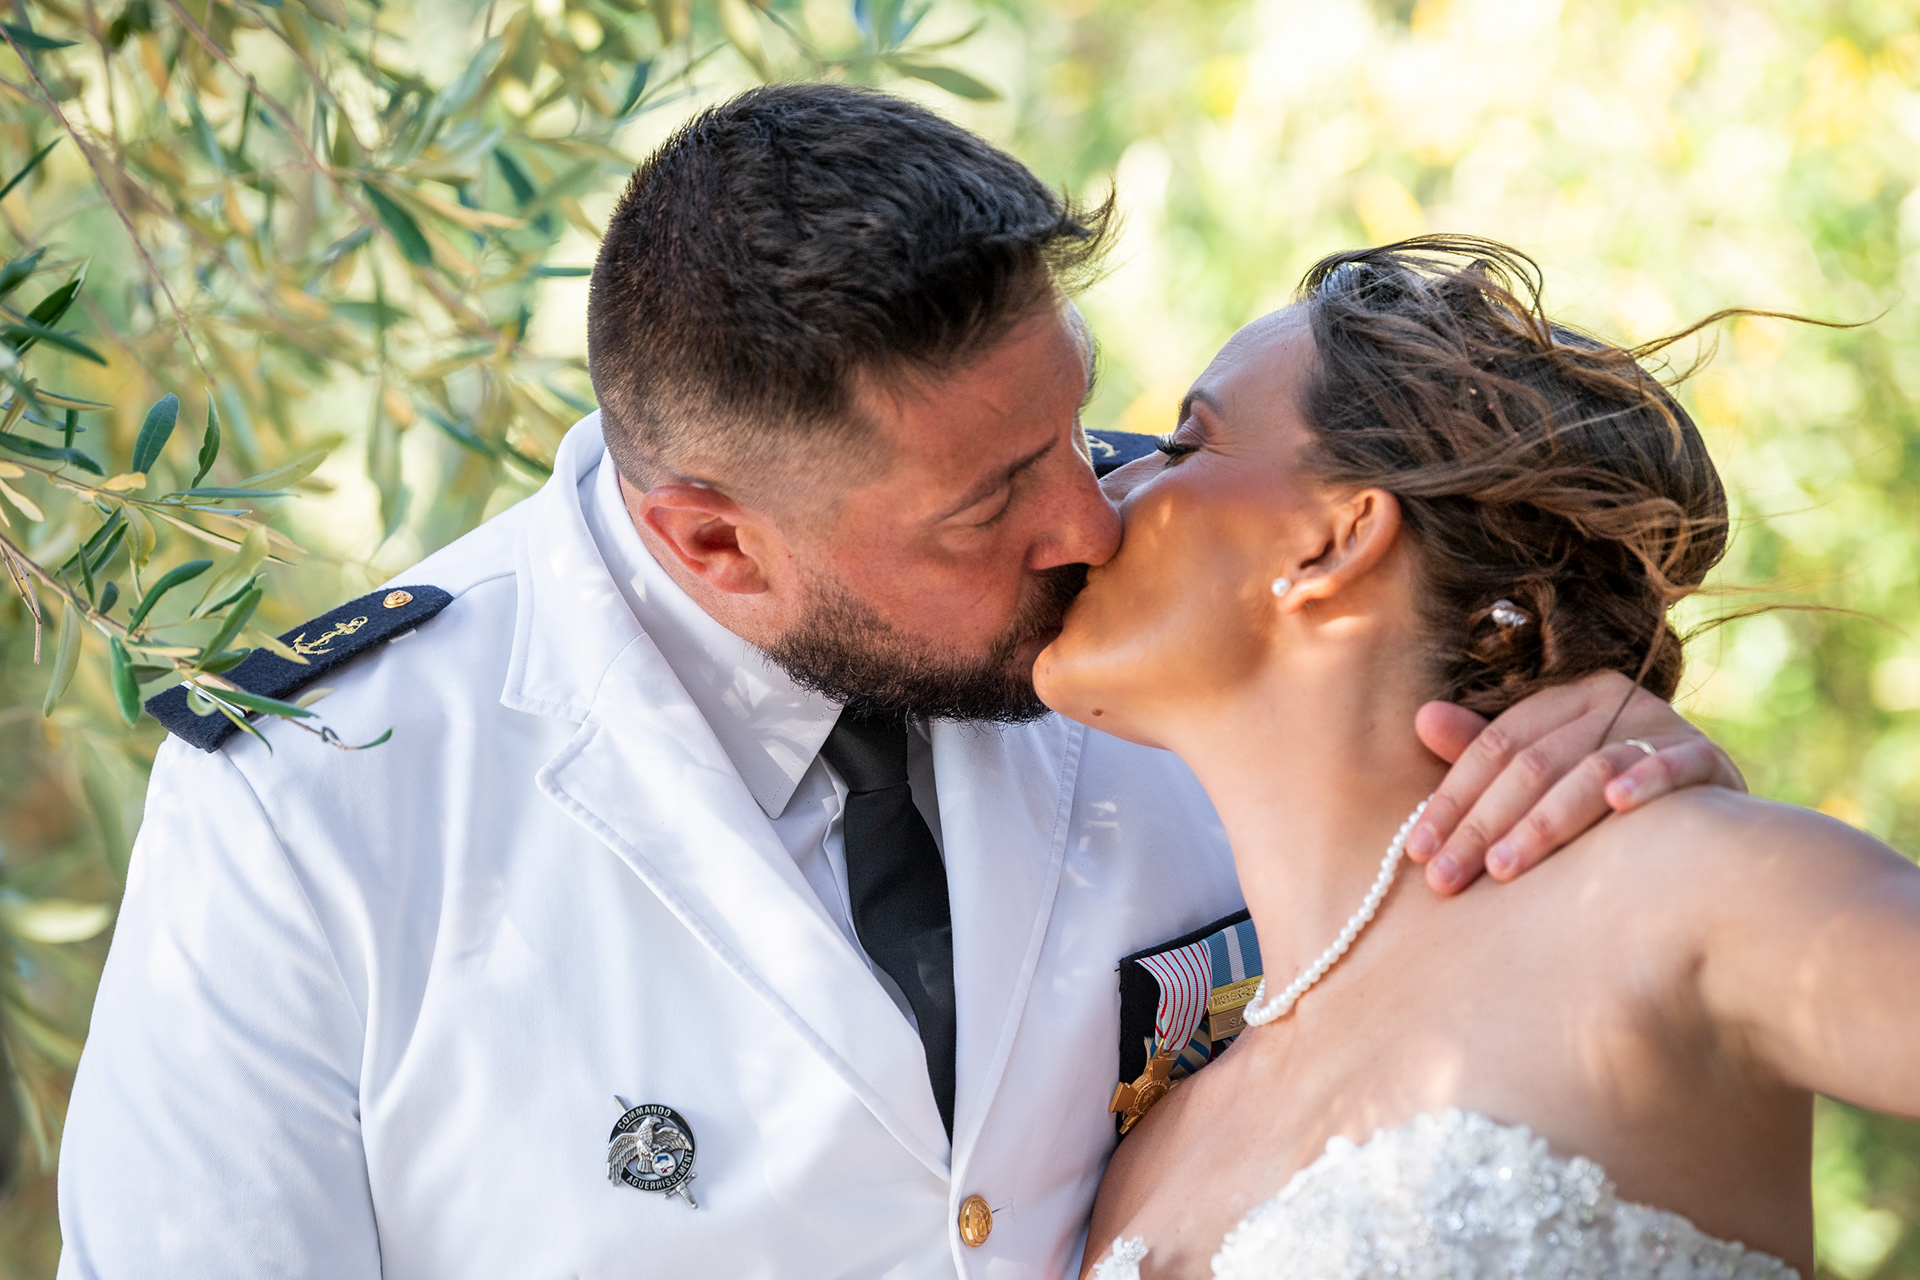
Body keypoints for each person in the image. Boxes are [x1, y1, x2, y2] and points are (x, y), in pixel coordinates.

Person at [57, 92, 1732, 1280]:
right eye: (990, 502)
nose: (1088, 517)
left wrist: (1611, 744)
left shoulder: (1180, 608)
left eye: (1073, 421)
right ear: (715, 541)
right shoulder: (317, 807)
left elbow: (1493, 874)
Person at [1034, 236, 1920, 1280]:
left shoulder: (1674, 888)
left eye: (1185, 446)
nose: (1106, 488)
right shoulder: (1149, 1156)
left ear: (1335, 538)